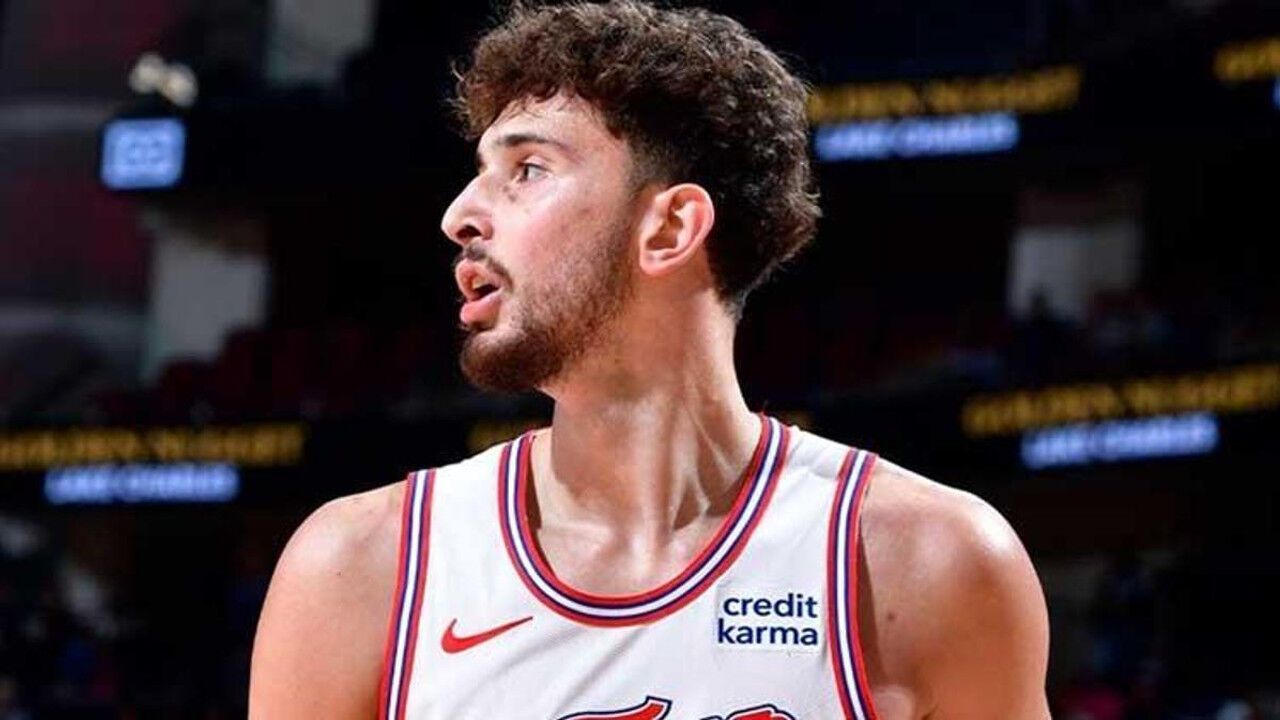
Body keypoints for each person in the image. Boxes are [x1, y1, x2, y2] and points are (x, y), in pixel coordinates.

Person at [249, 2, 1051, 718]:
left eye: (527, 170)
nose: (460, 214)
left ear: (669, 230)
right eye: (479, 173)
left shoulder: (928, 565)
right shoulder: (361, 569)